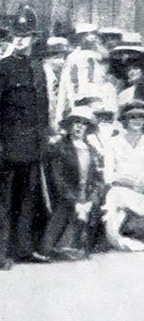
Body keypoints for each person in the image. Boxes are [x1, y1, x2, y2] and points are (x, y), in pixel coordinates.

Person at [0, 6, 52, 268]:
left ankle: (22, 248)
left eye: (26, 35)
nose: (21, 39)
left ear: (34, 38)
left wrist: (43, 143)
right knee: (2, 201)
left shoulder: (37, 69)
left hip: (32, 147)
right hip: (8, 147)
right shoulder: (1, 69)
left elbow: (43, 111)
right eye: (16, 35)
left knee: (27, 200)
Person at [40, 108, 103, 260]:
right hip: (66, 196)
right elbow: (58, 179)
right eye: (76, 122)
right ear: (69, 125)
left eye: (84, 124)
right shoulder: (60, 148)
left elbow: (97, 180)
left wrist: (91, 200)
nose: (79, 127)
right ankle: (55, 246)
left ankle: (84, 245)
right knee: (63, 213)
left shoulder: (92, 150)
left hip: (87, 197)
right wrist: (75, 202)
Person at [101, 100, 144, 252]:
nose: (137, 121)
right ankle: (119, 240)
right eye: (133, 117)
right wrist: (130, 184)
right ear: (125, 120)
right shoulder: (113, 143)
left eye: (141, 117)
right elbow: (108, 176)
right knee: (113, 196)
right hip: (124, 191)